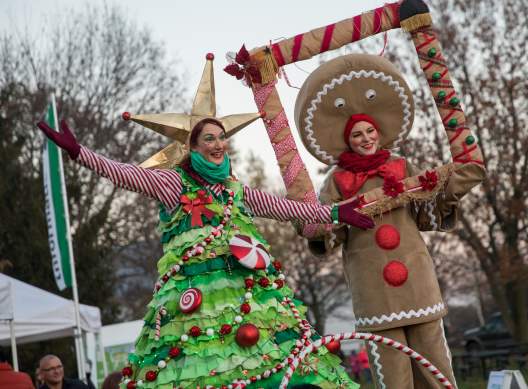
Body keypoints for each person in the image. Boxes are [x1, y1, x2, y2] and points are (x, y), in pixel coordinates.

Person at [36, 113, 370, 388]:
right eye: (209, 138)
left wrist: (335, 213)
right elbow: (127, 176)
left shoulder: (234, 189)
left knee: (263, 358)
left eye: (221, 137)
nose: (218, 144)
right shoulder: (174, 183)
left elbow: (284, 208)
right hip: (192, 302)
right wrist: (79, 152)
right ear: (192, 146)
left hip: (247, 292)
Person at [295, 53, 486, 388]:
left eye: (370, 131)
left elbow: (426, 212)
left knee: (435, 366)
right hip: (373, 291)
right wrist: (310, 223)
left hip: (418, 282)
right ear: (347, 141)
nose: (366, 138)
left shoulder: (402, 165)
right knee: (393, 374)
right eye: (357, 135)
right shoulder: (336, 182)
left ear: (379, 133)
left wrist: (453, 186)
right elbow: (324, 230)